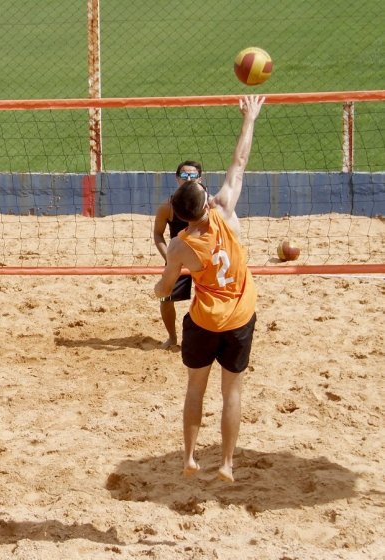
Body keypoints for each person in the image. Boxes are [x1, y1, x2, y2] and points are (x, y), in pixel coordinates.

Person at [154, 95, 265, 483]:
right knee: (231, 392)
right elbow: (238, 164)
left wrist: (161, 283)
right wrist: (249, 118)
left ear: (179, 214)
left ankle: (189, 458)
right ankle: (227, 464)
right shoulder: (226, 213)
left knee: (195, 389)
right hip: (238, 318)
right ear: (206, 201)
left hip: (203, 321)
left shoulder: (181, 244)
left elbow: (165, 289)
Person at [152, 160, 204, 349]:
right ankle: (172, 338)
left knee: (208, 299)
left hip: (202, 259)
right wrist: (169, 258)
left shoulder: (210, 205)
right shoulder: (167, 206)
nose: (188, 179)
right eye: (184, 175)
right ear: (177, 179)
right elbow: (157, 234)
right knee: (165, 298)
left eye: (192, 175)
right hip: (177, 259)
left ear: (200, 178)